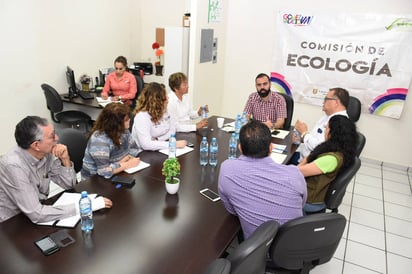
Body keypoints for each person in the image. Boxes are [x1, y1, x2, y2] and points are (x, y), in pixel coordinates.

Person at [0, 116, 112, 223]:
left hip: (40, 210)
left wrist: (65, 159)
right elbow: (36, 214)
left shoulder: (45, 153)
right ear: (36, 145)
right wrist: (86, 206)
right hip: (13, 222)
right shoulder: (13, 166)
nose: (57, 138)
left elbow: (69, 185)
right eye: (52, 136)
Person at [218, 120, 307, 239]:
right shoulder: (294, 174)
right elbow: (301, 203)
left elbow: (232, 211)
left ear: (240, 148)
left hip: (257, 248)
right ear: (271, 147)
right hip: (293, 243)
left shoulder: (227, 169)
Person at [298, 115, 357, 212]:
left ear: (333, 133)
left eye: (327, 128)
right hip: (312, 192)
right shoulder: (340, 150)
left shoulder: (331, 159)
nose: (325, 131)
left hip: (309, 200)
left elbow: (298, 171)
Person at [81, 103, 142, 179]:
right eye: (126, 120)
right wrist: (127, 164)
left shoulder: (124, 131)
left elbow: (134, 149)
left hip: (118, 173)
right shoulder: (99, 141)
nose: (129, 120)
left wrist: (123, 161)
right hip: (94, 180)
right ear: (115, 123)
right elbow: (104, 171)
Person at [292, 87, 349, 164]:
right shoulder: (328, 116)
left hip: (309, 164)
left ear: (336, 102)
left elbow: (320, 147)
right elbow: (315, 138)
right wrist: (301, 138)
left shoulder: (338, 123)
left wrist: (304, 133)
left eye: (326, 99)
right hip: (303, 157)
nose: (323, 102)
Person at [132, 82, 187, 151]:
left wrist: (158, 139)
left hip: (161, 147)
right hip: (143, 152)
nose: (168, 98)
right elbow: (146, 144)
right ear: (157, 101)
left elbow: (173, 129)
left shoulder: (165, 110)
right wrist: (172, 144)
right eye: (165, 96)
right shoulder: (142, 117)